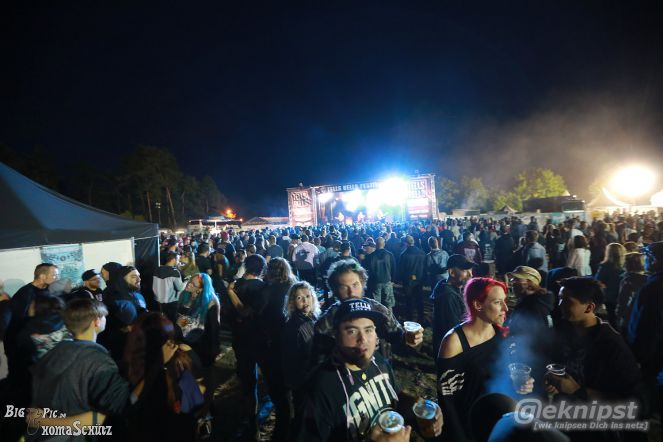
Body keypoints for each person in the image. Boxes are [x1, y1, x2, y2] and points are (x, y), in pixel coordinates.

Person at [295, 298, 443, 441]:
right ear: (335, 334)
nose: (363, 339)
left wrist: (417, 406)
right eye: (351, 331)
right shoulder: (319, 388)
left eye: (368, 330)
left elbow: (393, 396)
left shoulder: (376, 359)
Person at [547, 277, 643, 442]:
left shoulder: (611, 345)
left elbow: (632, 401)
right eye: (560, 298)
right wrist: (553, 381)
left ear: (589, 307)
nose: (560, 304)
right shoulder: (563, 329)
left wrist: (578, 390)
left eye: (567, 301)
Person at [437, 277, 533, 442]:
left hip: (498, 421)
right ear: (478, 305)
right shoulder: (454, 342)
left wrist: (520, 384)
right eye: (497, 302)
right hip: (469, 425)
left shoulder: (501, 335)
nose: (505, 308)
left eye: (504, 301)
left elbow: (505, 375)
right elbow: (447, 401)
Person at [30, 299, 130, 434]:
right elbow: (118, 406)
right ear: (97, 321)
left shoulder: (53, 353)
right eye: (104, 317)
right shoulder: (98, 360)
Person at [314, 260, 423, 360]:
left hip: (380, 369)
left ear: (362, 284)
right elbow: (319, 356)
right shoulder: (327, 321)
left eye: (355, 285)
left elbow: (396, 336)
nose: (351, 292)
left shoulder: (378, 310)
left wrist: (410, 340)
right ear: (335, 290)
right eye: (343, 287)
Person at [125, 312, 201, 442]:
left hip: (150, 430)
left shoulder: (137, 363)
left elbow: (130, 402)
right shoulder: (181, 356)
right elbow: (196, 399)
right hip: (179, 429)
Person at [4, 263, 59, 379]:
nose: (57, 278)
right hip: (21, 344)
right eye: (54, 275)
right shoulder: (25, 294)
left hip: (40, 343)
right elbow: (17, 321)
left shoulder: (49, 291)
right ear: (42, 276)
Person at [627, 241, 663, 418]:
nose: (645, 260)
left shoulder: (653, 288)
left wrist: (638, 356)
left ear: (655, 259)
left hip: (653, 354)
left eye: (647, 256)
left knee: (648, 391)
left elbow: (646, 326)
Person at [430, 254, 474, 358]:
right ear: (452, 272)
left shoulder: (451, 288)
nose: (471, 274)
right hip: (451, 351)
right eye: (465, 270)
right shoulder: (448, 296)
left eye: (471, 270)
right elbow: (453, 328)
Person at [176, 273, 221, 367]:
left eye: (193, 284)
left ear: (200, 289)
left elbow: (214, 327)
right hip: (184, 340)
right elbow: (181, 317)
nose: (188, 284)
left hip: (201, 344)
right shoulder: (185, 295)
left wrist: (214, 349)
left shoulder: (211, 301)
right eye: (189, 281)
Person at [594, 242, 626, 327]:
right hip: (623, 295)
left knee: (611, 318)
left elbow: (598, 282)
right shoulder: (625, 266)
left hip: (609, 296)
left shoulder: (604, 266)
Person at [615, 252, 646, 336]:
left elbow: (622, 300)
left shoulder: (628, 280)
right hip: (641, 316)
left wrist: (619, 316)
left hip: (628, 318)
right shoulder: (648, 279)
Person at [362, 237, 397, 309]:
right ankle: (388, 315)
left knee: (376, 304)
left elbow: (365, 269)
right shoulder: (389, 255)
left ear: (376, 244)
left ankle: (378, 315)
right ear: (384, 244)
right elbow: (394, 268)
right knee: (388, 303)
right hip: (387, 281)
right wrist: (393, 280)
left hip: (375, 282)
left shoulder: (370, 256)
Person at [398, 235, 426, 324]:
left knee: (409, 300)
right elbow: (425, 267)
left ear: (406, 243)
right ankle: (421, 318)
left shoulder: (404, 254)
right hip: (419, 279)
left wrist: (401, 279)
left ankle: (410, 319)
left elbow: (401, 269)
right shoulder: (421, 252)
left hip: (408, 280)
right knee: (419, 299)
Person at [153, 251, 186, 323]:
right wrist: (186, 282)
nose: (179, 261)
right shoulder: (174, 271)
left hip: (157, 301)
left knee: (160, 321)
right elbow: (180, 288)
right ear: (173, 259)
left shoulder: (157, 269)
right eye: (178, 259)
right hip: (170, 302)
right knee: (171, 321)